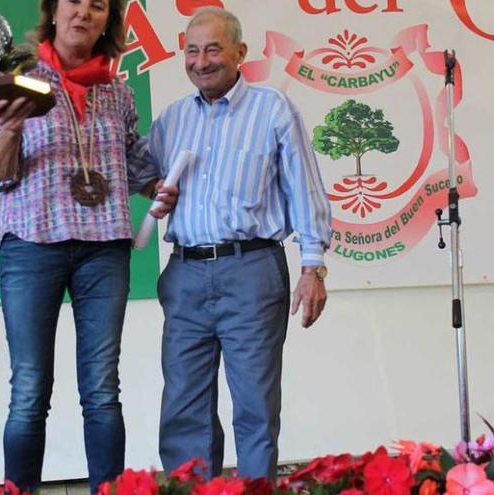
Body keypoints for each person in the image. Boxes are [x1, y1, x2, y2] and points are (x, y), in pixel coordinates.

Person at [0, 0, 177, 492]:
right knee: (28, 392)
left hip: (103, 249)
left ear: (108, 21)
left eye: (98, 6)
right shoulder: (15, 77)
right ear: (53, 10)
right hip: (32, 245)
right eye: (74, 1)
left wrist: (158, 188)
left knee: (102, 390)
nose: (84, 13)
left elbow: (132, 161)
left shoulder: (118, 91)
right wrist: (11, 128)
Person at [146, 7, 332, 481]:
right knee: (183, 409)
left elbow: (305, 189)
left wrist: (313, 268)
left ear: (240, 54)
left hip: (252, 273)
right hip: (185, 275)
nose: (201, 61)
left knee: (254, 407)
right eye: (192, 50)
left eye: (213, 49)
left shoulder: (272, 109)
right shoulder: (170, 121)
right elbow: (143, 176)